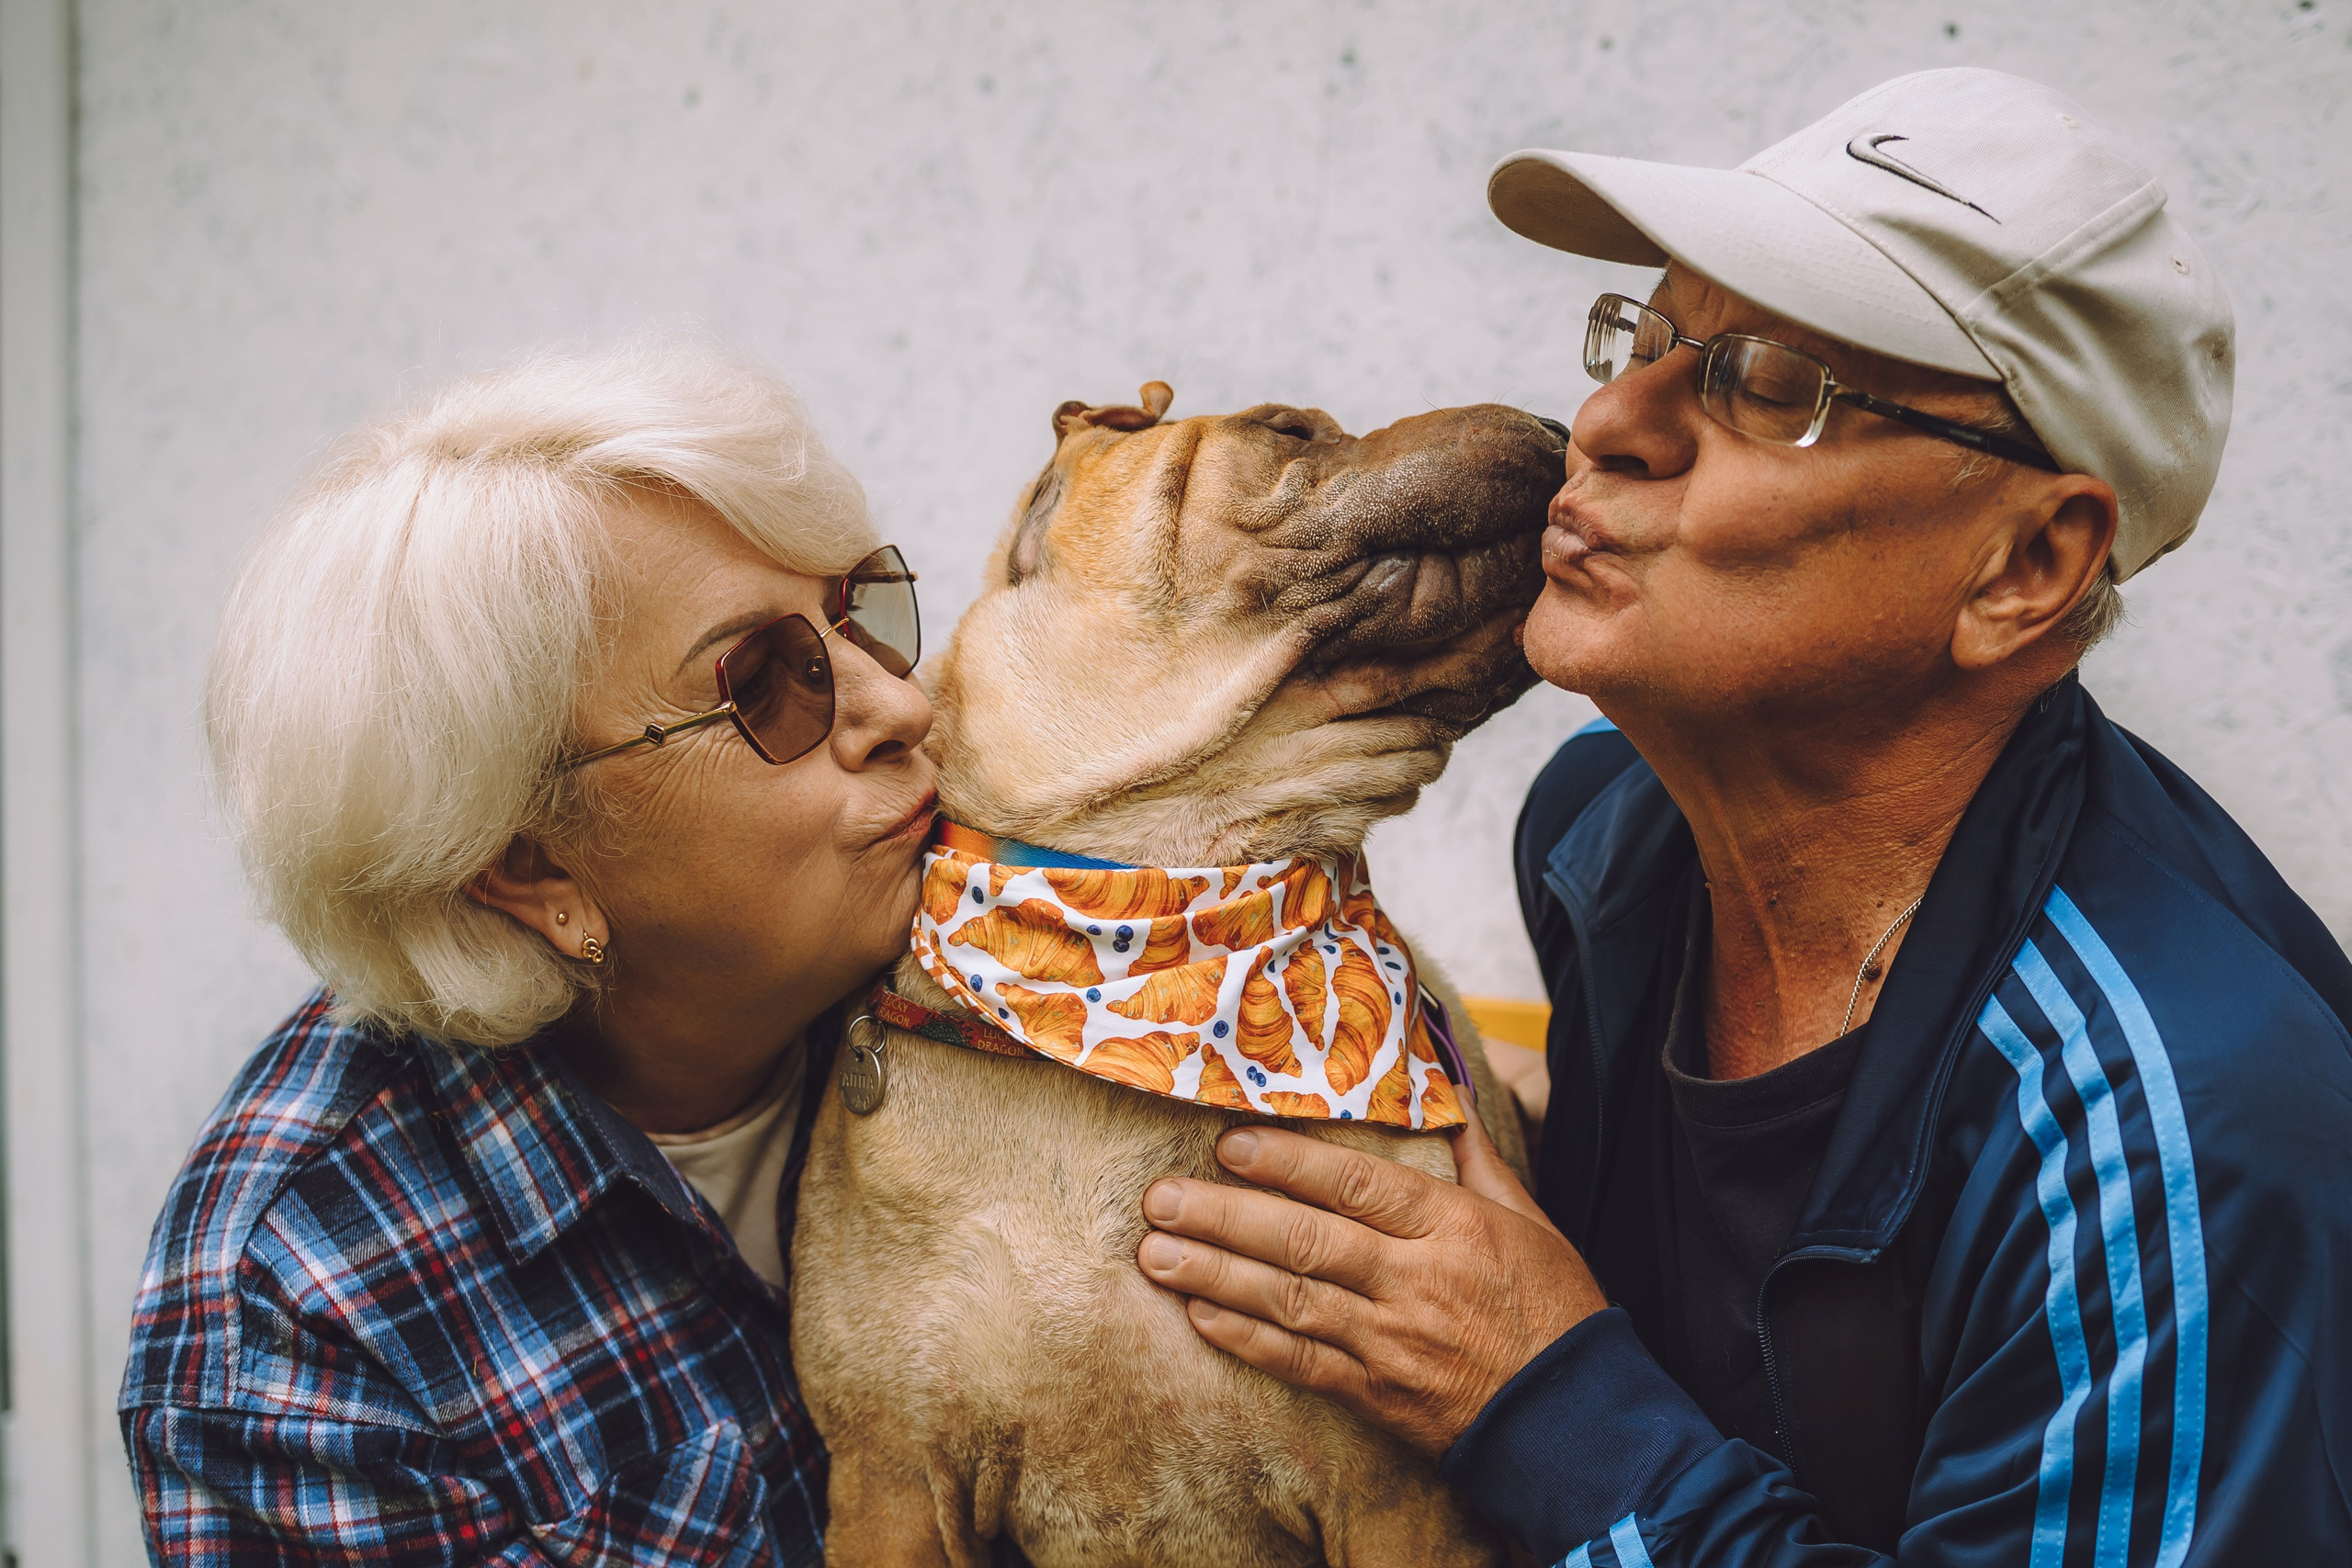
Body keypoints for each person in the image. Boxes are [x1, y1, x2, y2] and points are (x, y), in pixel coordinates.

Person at [1136, 68, 2352, 1563]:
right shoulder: (1610, 840)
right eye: (1642, 340)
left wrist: (1542, 1400)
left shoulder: (2162, 1138)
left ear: (2026, 565)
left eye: (1770, 384)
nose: (1607, 422)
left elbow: (1551, 1392)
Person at [121, 339, 937, 1563]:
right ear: (534, 871)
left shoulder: (1014, 948)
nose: (905, 708)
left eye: (860, 610)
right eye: (767, 684)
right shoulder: (300, 1318)